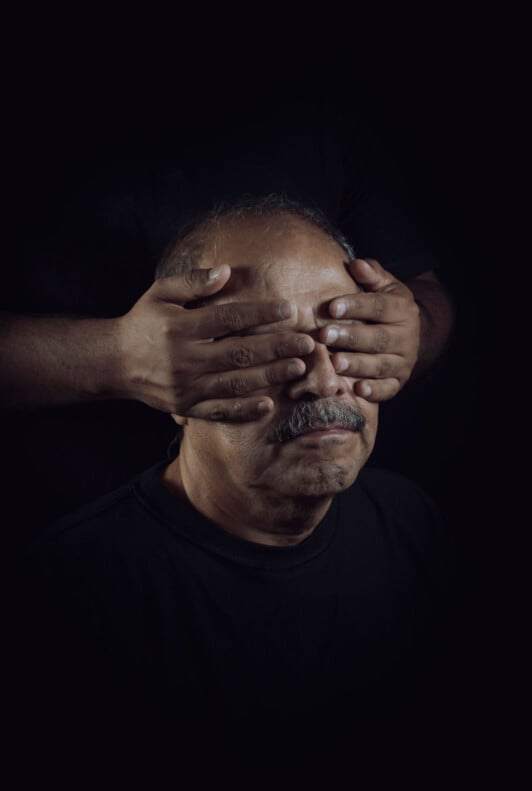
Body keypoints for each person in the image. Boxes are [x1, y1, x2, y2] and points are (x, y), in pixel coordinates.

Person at [12, 197, 461, 776]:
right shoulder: (65, 602)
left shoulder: (410, 527)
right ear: (172, 383)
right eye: (268, 352)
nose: (323, 380)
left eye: (347, 338)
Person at [1, 98, 455, 539]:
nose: (322, 378)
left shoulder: (323, 103)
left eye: (335, 340)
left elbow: (424, 293)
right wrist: (117, 356)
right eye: (264, 340)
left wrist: (410, 331)